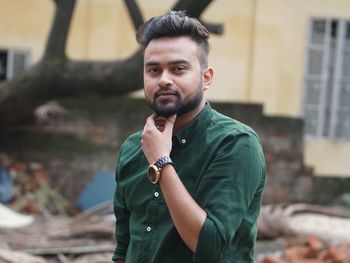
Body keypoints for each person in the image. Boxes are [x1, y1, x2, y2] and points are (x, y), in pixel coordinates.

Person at [112, 10, 266, 263]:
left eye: (178, 69)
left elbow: (209, 246)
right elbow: (123, 248)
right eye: (153, 70)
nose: (163, 80)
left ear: (206, 79)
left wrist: (161, 161)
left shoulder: (236, 144)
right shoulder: (133, 147)